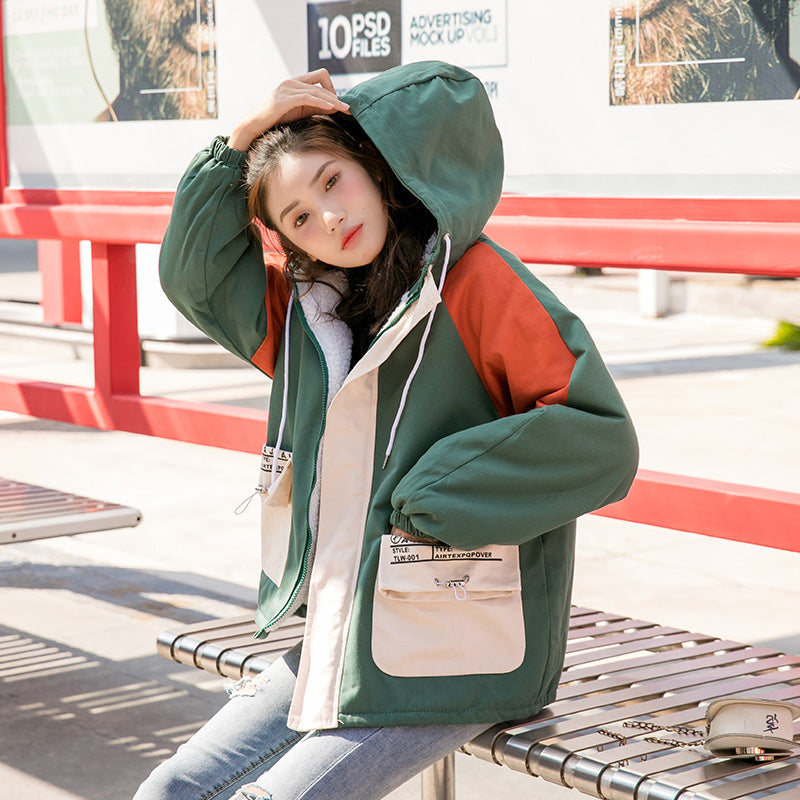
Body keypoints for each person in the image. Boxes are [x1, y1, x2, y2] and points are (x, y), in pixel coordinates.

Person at [138, 60, 639, 800]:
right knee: (172, 787)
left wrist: (438, 493)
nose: (328, 218)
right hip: (348, 635)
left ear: (374, 167)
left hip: (458, 648)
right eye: (298, 218)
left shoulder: (479, 282)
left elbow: (601, 439)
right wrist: (242, 138)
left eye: (332, 181)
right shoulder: (310, 320)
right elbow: (195, 276)